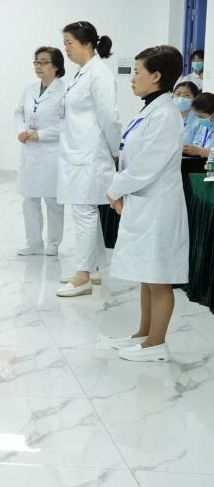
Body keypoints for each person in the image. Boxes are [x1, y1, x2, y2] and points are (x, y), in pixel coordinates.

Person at [106, 45, 189, 362]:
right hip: (143, 202)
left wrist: (115, 189)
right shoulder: (150, 110)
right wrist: (120, 189)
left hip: (158, 207)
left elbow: (146, 166)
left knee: (158, 278)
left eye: (137, 72)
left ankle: (156, 344)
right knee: (146, 273)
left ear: (156, 76)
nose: (132, 78)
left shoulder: (165, 115)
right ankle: (143, 335)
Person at [55, 21, 120, 297]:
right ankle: (94, 269)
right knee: (85, 211)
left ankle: (82, 276)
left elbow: (110, 118)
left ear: (87, 43)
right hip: (77, 153)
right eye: (65, 43)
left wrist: (115, 152)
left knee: (84, 213)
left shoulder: (99, 74)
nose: (66, 49)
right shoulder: (81, 73)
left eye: (69, 43)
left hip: (90, 155)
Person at [15, 47, 66, 257]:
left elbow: (66, 125)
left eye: (44, 62)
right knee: (30, 199)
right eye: (36, 62)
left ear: (56, 66)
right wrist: (21, 130)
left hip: (52, 152)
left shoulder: (65, 91)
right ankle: (34, 242)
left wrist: (41, 134)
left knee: (53, 200)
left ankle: (53, 242)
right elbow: (18, 113)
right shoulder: (30, 88)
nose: (39, 66)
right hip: (30, 151)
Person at [183, 92, 214, 159]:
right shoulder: (207, 126)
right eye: (197, 116)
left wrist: (201, 151)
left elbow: (202, 151)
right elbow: (199, 144)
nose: (199, 119)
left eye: (202, 117)